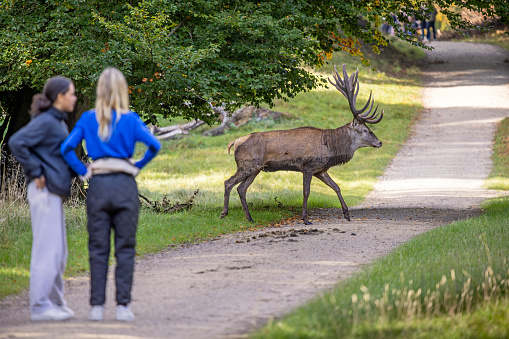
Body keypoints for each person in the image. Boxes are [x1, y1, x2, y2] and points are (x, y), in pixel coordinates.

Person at [61, 67, 161, 322]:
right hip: (125, 185)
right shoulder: (130, 119)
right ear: (121, 90)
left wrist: (83, 172)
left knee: (98, 248)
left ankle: (96, 306)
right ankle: (123, 306)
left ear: (99, 91)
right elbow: (154, 145)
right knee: (125, 248)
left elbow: (66, 148)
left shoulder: (87, 118)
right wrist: (136, 166)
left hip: (99, 186)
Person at [8, 76, 77, 321]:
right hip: (44, 192)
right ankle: (39, 306)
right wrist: (36, 172)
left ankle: (55, 302)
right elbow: (16, 142)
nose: (75, 98)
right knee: (47, 250)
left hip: (54, 192)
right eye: (71, 93)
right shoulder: (48, 121)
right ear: (59, 96)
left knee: (59, 251)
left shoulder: (57, 122)